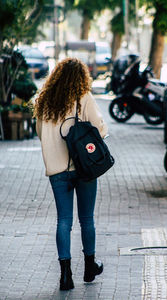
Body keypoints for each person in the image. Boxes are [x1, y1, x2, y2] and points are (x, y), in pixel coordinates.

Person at [34, 58, 108, 290]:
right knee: (86, 219)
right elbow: (100, 128)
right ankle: (89, 267)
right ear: (81, 77)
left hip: (57, 170)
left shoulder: (44, 99)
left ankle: (65, 275)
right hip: (84, 168)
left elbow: (40, 132)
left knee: (63, 221)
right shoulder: (83, 98)